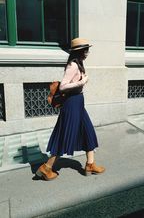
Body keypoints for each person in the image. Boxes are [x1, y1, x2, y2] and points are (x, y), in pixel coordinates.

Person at [36, 38, 105, 181]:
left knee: (88, 131)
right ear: (79, 51)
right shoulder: (73, 65)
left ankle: (90, 164)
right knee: (65, 135)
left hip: (78, 102)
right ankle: (46, 167)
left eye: (87, 49)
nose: (87, 53)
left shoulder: (78, 64)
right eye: (85, 50)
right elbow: (63, 86)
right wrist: (82, 81)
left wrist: (81, 82)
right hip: (72, 104)